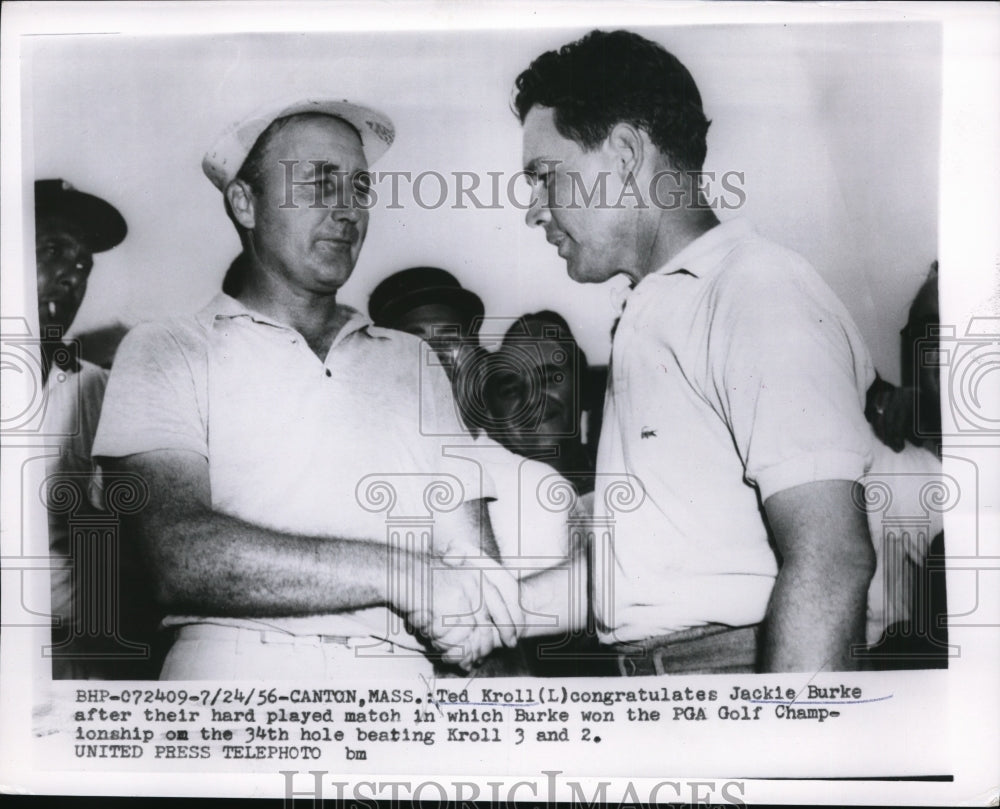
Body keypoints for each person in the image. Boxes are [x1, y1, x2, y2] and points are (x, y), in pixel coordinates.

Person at [92, 98, 521, 680]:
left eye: (359, 188)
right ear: (245, 203)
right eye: (319, 183)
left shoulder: (412, 361)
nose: (348, 210)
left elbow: (477, 571)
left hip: (404, 683)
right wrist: (403, 575)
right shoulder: (169, 349)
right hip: (235, 679)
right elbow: (179, 555)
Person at [506, 30, 878, 674]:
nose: (533, 210)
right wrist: (474, 609)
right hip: (657, 680)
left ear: (624, 154)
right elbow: (658, 576)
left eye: (544, 177)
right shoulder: (657, 308)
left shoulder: (755, 289)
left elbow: (831, 557)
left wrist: (793, 758)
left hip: (731, 676)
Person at [368, 270, 586, 675]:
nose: (433, 355)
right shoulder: (364, 479)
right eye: (413, 342)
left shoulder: (538, 485)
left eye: (450, 340)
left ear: (477, 358)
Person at [35, 178, 155, 678]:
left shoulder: (95, 389)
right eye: (52, 251)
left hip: (65, 651)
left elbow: (116, 537)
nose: (71, 276)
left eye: (83, 265)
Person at [484, 310, 595, 496]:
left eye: (548, 379)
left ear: (583, 388)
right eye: (511, 389)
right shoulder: (481, 497)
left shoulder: (626, 479)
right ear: (493, 414)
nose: (531, 399)